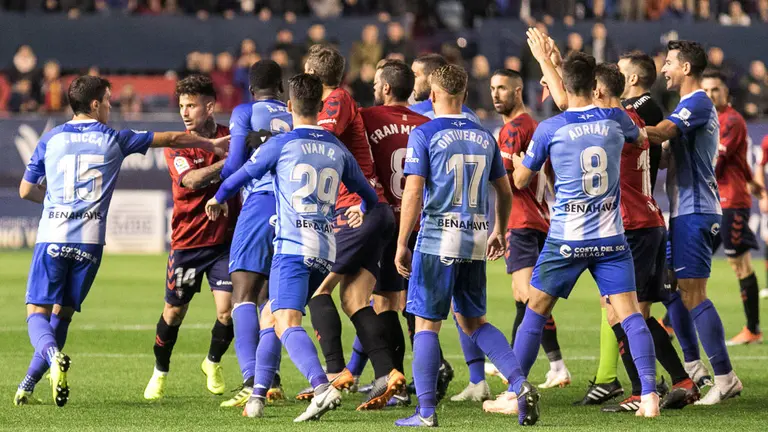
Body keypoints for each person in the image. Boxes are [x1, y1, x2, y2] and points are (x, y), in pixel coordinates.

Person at [14, 75, 229, 407]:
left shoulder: (50, 139)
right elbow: (171, 138)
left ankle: (53, 356)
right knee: (63, 315)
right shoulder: (114, 138)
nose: (112, 106)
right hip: (89, 242)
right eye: (109, 101)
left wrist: (54, 200)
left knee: (36, 312)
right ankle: (29, 382)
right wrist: (210, 145)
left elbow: (26, 190)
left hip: (53, 236)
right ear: (96, 104)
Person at [205, 73, 379, 422]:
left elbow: (238, 177)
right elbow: (370, 195)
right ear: (319, 105)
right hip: (326, 249)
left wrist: (217, 198)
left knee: (285, 321)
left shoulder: (282, 143)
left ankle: (321, 387)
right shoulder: (336, 147)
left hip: (292, 248)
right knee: (271, 314)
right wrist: (360, 210)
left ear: (289, 106)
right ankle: (257, 396)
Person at [511, 52, 661, 418]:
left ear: (563, 85)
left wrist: (519, 163)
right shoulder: (616, 118)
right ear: (595, 86)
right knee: (630, 315)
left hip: (567, 239)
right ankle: (650, 397)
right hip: (612, 238)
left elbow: (520, 180)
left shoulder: (550, 128)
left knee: (535, 309)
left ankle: (516, 391)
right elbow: (640, 139)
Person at [395, 63, 539, 427]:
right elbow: (504, 191)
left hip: (437, 240)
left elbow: (413, 189)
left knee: (427, 326)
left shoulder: (424, 133)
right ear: (464, 95)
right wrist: (499, 230)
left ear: (432, 94)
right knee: (475, 322)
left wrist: (401, 241)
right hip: (474, 240)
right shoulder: (484, 136)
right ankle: (519, 383)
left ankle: (426, 412)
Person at [590, 64, 700, 413]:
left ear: (602, 92)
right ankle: (682, 381)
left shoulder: (614, 124)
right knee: (638, 312)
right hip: (650, 220)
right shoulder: (634, 122)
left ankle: (640, 390)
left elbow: (567, 108)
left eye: (593, 89)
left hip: (633, 226)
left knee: (618, 312)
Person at [302, 44, 406, 410]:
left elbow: (320, 138)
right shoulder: (339, 101)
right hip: (368, 211)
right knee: (356, 300)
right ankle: (389, 373)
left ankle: (332, 375)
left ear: (313, 76)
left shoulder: (337, 101)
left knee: (317, 292)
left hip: (356, 211)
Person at [646, 40, 743, 405]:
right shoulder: (686, 106)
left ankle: (725, 376)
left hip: (697, 211)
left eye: (669, 62)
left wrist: (623, 124)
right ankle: (694, 368)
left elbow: (663, 134)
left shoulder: (699, 101)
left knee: (692, 293)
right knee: (671, 291)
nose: (664, 68)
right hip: (683, 211)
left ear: (686, 68)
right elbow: (668, 157)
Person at [143, 74, 240, 402]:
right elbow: (193, 181)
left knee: (228, 311)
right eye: (182, 105)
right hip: (188, 243)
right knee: (174, 313)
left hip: (225, 242)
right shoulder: (179, 143)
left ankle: (212, 362)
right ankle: (160, 371)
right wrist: (232, 162)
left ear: (209, 106)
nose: (185, 112)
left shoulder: (231, 135)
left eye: (192, 105)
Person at [483, 68, 571, 415]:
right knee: (529, 298)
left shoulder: (513, 130)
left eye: (502, 87)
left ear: (518, 91)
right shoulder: (535, 126)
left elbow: (508, 182)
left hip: (521, 221)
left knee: (529, 296)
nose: (495, 94)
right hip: (539, 219)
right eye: (492, 87)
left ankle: (516, 373)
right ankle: (553, 364)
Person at [343, 59, 430, 406]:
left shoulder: (366, 118)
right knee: (397, 304)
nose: (375, 87)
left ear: (387, 88)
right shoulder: (427, 124)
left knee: (377, 304)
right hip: (419, 226)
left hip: (382, 222)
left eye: (378, 83)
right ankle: (398, 381)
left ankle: (392, 380)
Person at [217, 59, 294, 408]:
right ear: (281, 88)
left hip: (261, 202)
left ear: (251, 88)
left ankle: (251, 377)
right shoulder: (295, 116)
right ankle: (270, 378)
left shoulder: (245, 112)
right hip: (293, 210)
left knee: (243, 294)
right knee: (271, 298)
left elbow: (235, 166)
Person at [701, 70, 763, 345]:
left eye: (716, 89)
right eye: (706, 90)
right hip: (715, 202)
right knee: (694, 262)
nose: (711, 95)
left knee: (740, 264)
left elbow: (719, 162)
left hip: (730, 203)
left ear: (726, 92)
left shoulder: (732, 120)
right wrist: (752, 181)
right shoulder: (708, 119)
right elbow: (742, 163)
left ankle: (752, 329)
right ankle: (670, 322)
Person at [409, 54, 480, 122]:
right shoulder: (471, 117)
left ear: (432, 78)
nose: (411, 81)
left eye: (415, 76)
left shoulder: (411, 115)